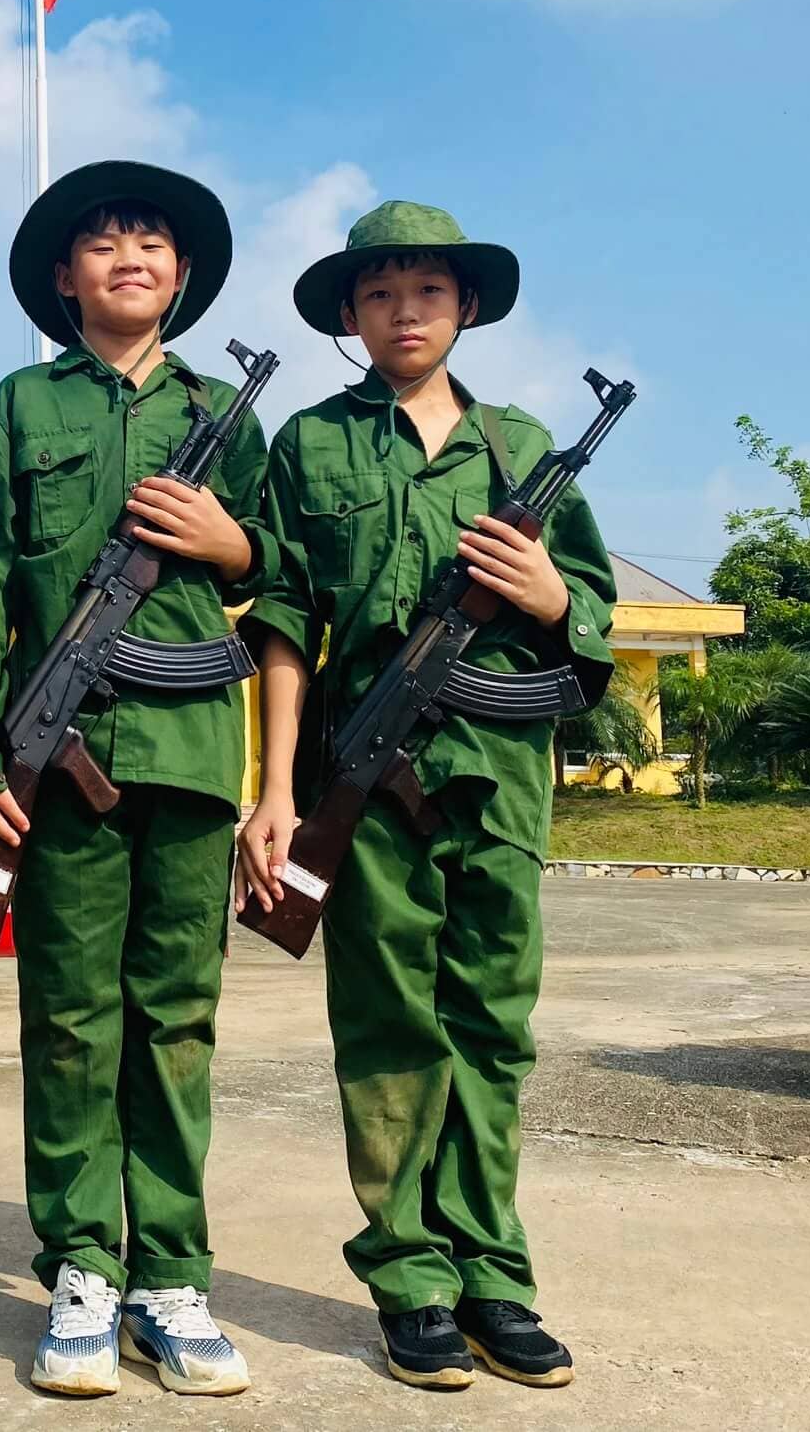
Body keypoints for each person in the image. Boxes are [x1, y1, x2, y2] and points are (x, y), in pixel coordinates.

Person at [237, 201, 616, 1393]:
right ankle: (410, 1276)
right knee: (392, 1026)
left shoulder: (520, 446)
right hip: (366, 772)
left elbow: (588, 621)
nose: (407, 313)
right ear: (350, 317)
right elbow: (287, 623)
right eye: (383, 295)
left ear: (465, 310)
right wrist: (277, 790)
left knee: (493, 1027)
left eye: (430, 293)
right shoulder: (309, 444)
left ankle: (493, 1270)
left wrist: (552, 594)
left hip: (498, 778)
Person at [0, 160, 268, 1399]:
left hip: (185, 761)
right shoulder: (20, 406)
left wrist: (232, 543)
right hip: (50, 767)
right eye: (102, 243)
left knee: (174, 1021)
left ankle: (171, 1271)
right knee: (69, 1019)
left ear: (181, 275)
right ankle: (81, 1263)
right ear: (64, 279)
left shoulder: (227, 409)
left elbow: (279, 582)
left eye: (151, 242)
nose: (128, 256)